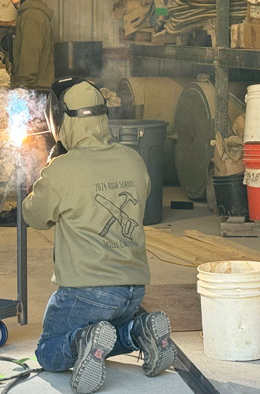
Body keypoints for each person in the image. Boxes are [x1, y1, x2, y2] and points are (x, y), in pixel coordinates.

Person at [22, 78, 175, 394]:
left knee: (49, 351)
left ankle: (82, 341)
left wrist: (37, 178)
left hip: (86, 290)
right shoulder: (133, 159)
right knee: (109, 330)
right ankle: (140, 330)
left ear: (64, 121)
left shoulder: (61, 169)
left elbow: (34, 216)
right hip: (132, 289)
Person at [10, 0, 54, 90]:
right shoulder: (31, 14)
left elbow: (30, 56)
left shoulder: (31, 17)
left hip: (33, 90)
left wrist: (22, 89)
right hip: (34, 88)